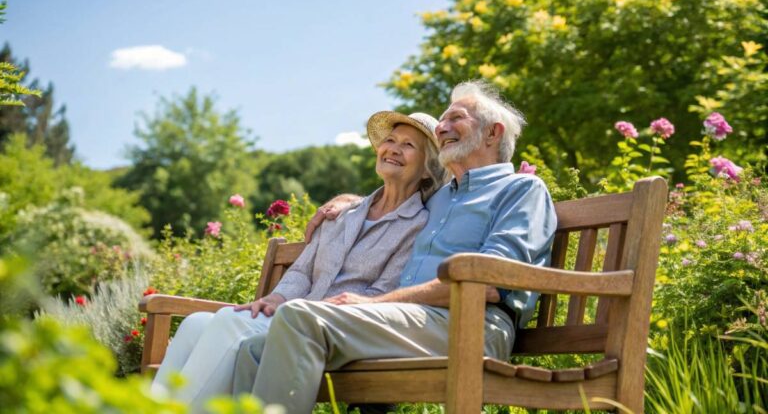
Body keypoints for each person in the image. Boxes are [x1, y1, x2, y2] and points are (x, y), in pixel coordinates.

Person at [233, 80, 558, 413]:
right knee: (252, 349)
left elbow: (492, 280)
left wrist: (376, 303)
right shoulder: (441, 197)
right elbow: (393, 197)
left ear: (493, 134)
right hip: (407, 321)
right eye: (441, 121)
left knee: (301, 317)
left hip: (473, 326)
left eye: (455, 118)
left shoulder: (522, 190)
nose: (441, 128)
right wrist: (350, 202)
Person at [150, 111, 447, 411]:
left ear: (427, 169)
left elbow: (381, 294)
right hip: (292, 313)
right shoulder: (343, 213)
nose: (393, 148)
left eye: (409, 145)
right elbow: (303, 271)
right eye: (390, 140)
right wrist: (277, 296)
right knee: (196, 323)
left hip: (331, 326)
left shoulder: (417, 226)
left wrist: (305, 308)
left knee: (228, 323)